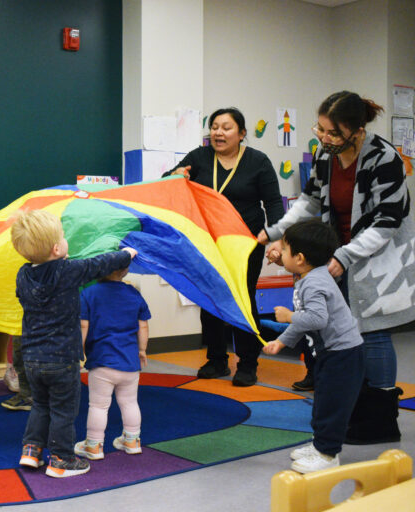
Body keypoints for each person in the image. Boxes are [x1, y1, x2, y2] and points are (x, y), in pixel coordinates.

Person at [260, 91, 415, 444]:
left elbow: (387, 223)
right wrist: (274, 231)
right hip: (338, 256)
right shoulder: (325, 156)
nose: (324, 138)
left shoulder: (384, 158)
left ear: (357, 132)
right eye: (321, 130)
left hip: (378, 259)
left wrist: (345, 256)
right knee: (343, 333)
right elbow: (310, 201)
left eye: (332, 133)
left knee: (372, 332)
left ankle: (381, 418)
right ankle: (355, 408)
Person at [11, 209, 137, 478]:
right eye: (64, 237)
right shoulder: (67, 271)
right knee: (63, 410)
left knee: (41, 405)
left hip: (32, 356)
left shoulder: (23, 275)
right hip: (61, 358)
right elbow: (98, 264)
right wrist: (126, 255)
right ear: (57, 248)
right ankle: (62, 460)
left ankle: (31, 450)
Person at [165, 107, 284, 386]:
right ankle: (217, 360)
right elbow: (168, 182)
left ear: (242, 134)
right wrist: (176, 174)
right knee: (210, 299)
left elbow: (274, 203)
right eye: (215, 127)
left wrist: (275, 235)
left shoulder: (258, 161)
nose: (218, 132)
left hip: (246, 243)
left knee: (243, 300)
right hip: (208, 241)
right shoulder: (199, 157)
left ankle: (247, 363)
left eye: (226, 127)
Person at [263, 219, 364, 473]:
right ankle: (320, 444)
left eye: (284, 250)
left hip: (343, 355)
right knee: (322, 401)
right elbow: (306, 322)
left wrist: (288, 317)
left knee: (331, 404)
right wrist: (282, 341)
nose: (280, 254)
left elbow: (317, 319)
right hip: (330, 353)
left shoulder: (314, 282)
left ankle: (328, 455)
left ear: (300, 258)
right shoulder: (309, 274)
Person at [74, 266, 150, 461]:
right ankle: (132, 441)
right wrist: (142, 350)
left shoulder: (89, 294)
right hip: (130, 363)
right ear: (125, 270)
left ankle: (93, 445)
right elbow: (143, 324)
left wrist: (79, 352)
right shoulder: (134, 293)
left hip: (102, 362)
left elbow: (84, 325)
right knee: (130, 402)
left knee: (98, 406)